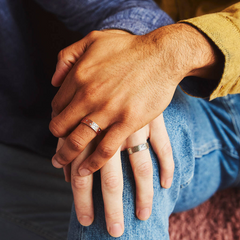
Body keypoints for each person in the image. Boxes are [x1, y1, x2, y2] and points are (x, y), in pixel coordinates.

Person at [0, 1, 239, 240]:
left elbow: (115, 6)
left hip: (199, 74)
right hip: (198, 104)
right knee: (114, 142)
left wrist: (160, 53)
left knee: (117, 132)